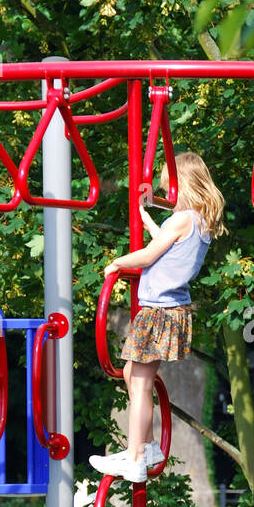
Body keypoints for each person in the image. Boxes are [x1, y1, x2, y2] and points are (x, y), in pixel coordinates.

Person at [89, 152, 227, 484]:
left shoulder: (181, 220)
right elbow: (168, 251)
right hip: (174, 310)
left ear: (183, 183)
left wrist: (118, 263)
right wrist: (150, 222)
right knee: (130, 373)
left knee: (140, 382)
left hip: (158, 312)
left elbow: (151, 256)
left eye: (169, 185)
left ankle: (136, 458)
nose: (167, 193)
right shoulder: (198, 222)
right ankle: (147, 446)